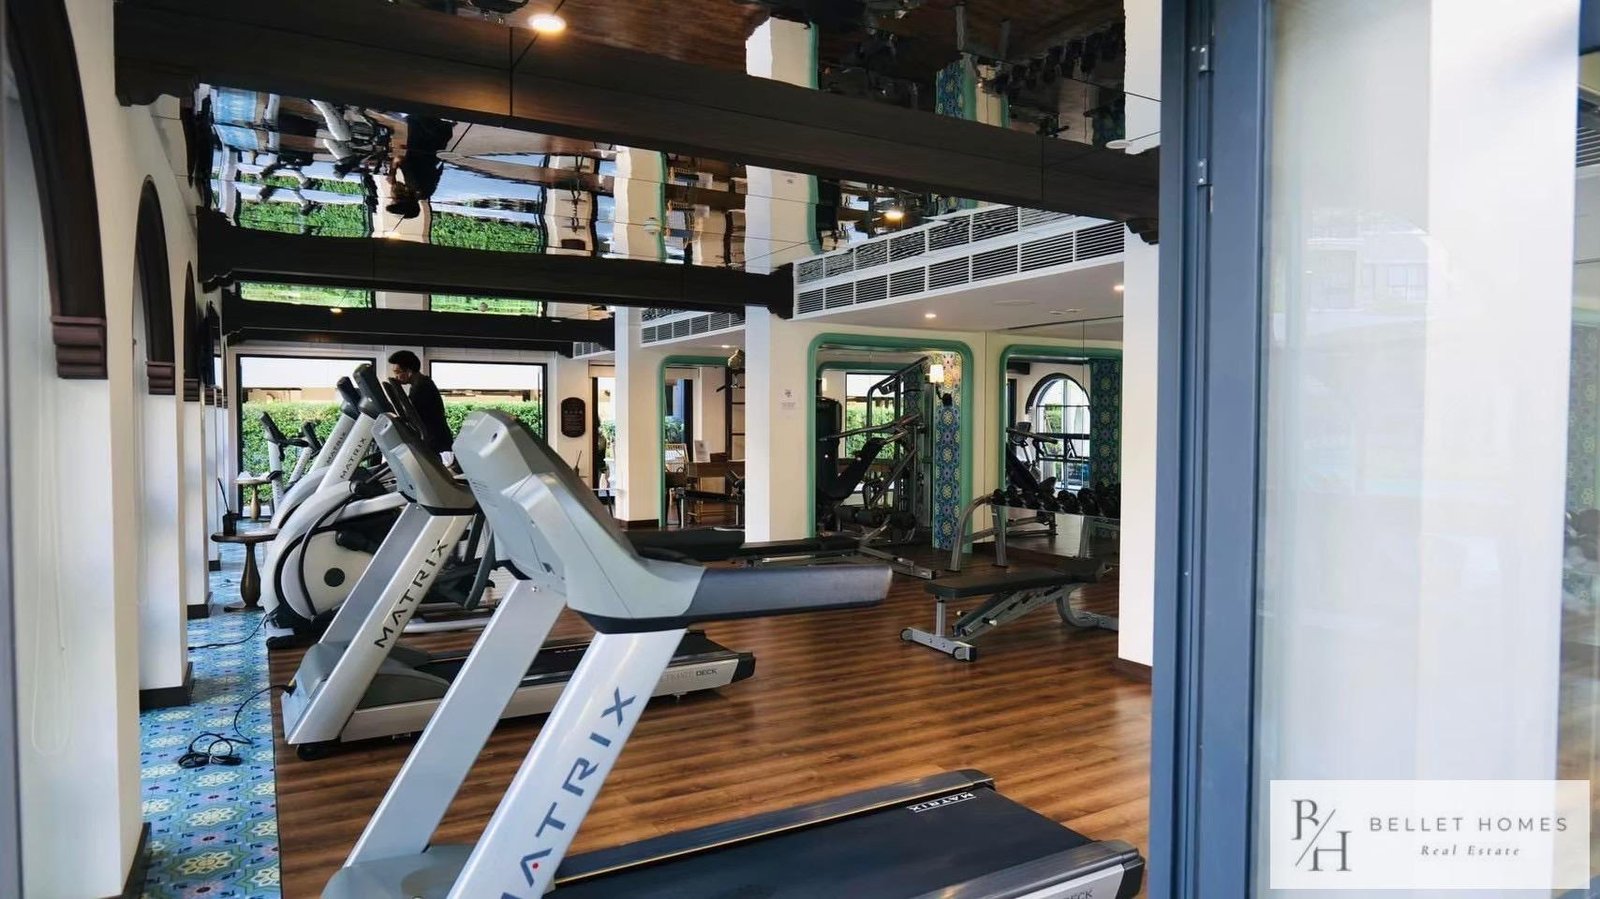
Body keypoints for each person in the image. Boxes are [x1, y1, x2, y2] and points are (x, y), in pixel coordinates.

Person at [387, 351, 453, 454]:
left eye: (397, 372)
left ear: (409, 371)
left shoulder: (422, 388)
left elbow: (413, 416)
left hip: (437, 444)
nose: (396, 377)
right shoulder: (419, 385)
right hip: (434, 441)